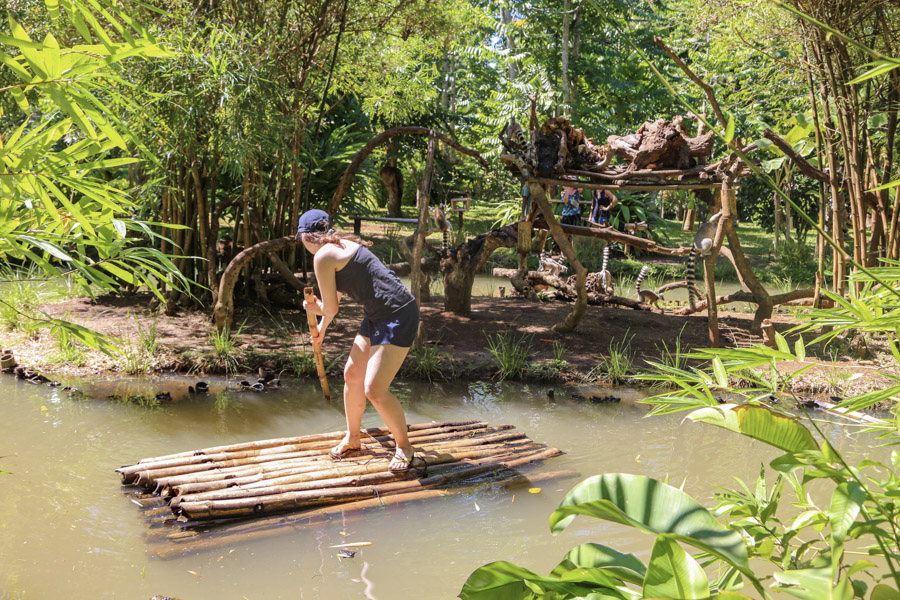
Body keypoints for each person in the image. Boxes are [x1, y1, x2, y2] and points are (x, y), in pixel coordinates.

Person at [297, 209, 419, 472]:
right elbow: (335, 299)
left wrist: (316, 310)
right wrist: (321, 329)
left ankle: (405, 446)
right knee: (352, 374)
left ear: (306, 236)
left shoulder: (323, 256)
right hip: (377, 314)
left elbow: (329, 307)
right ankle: (353, 438)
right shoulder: (337, 245)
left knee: (374, 389)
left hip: (397, 315)